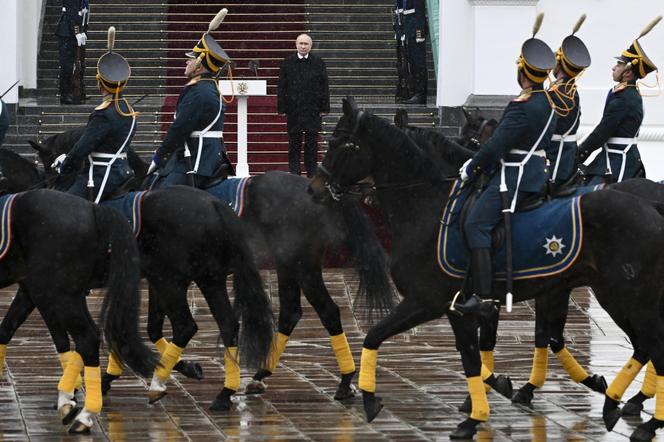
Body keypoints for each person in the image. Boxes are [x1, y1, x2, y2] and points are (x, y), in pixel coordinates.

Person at [456, 15, 556, 311]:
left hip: (516, 176)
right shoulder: (550, 102)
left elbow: (498, 145)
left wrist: (472, 165)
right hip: (537, 173)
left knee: (476, 225)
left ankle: (484, 296)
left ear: (523, 72)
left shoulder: (521, 106)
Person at [54, 26, 137, 203]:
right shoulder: (128, 109)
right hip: (123, 169)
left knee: (65, 205)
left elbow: (83, 147)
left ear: (100, 84)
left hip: (101, 173)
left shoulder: (104, 114)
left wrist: (66, 164)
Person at [578, 17, 660, 185]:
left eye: (619, 64)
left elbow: (602, 131)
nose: (613, 67)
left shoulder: (624, 98)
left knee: (589, 198)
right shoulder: (626, 93)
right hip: (614, 155)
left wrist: (578, 154)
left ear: (628, 72)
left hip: (618, 161)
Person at [151, 23, 233, 187]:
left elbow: (180, 128)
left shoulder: (197, 91)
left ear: (199, 65)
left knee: (160, 196)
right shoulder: (209, 87)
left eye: (191, 58)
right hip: (211, 155)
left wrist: (160, 156)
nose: (187, 61)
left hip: (198, 159)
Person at [546, 15, 591, 188]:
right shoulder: (570, 90)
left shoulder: (558, 92)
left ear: (559, 65)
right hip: (567, 154)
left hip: (555, 157)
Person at [277, 33, 330, 177]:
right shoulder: (287, 63)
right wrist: (281, 108)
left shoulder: (318, 63)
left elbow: (324, 86)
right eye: (301, 43)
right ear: (296, 44)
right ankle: (294, 173)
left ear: (310, 46)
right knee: (294, 143)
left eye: (306, 44)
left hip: (313, 110)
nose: (303, 46)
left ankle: (312, 172)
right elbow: (282, 86)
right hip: (294, 110)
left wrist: (325, 107)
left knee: (312, 144)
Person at [55, 0, 89, 105]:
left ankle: (78, 92)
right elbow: (71, 13)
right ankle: (65, 94)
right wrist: (77, 32)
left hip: (74, 32)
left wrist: (82, 31)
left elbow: (83, 15)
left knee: (79, 64)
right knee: (67, 65)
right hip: (67, 33)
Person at [394, 0, 428, 104]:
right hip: (407, 30)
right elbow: (400, 12)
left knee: (418, 62)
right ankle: (412, 91)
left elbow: (419, 12)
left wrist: (419, 34)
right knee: (411, 61)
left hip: (415, 31)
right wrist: (399, 31)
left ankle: (420, 93)